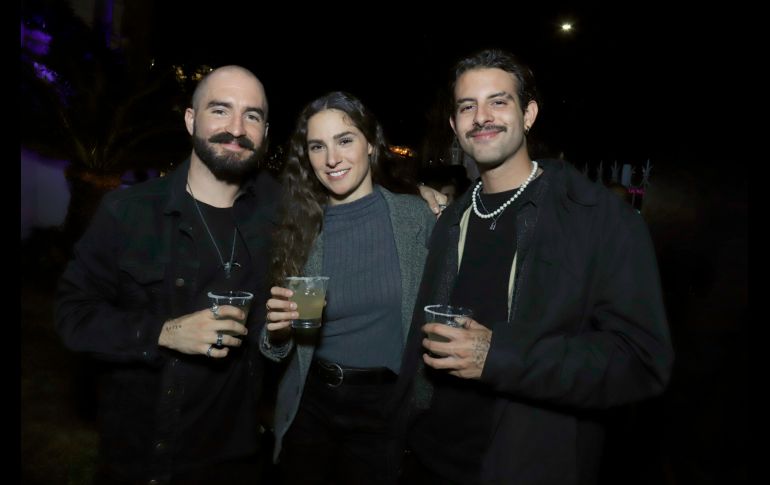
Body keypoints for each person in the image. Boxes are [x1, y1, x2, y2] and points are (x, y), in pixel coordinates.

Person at [393, 49, 674, 484]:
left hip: (527, 465)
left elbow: (639, 362)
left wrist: (499, 356)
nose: (481, 117)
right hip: (427, 458)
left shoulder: (599, 220)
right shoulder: (450, 220)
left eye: (498, 101)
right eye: (467, 106)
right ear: (454, 125)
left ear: (529, 115)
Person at [55, 65, 278, 484]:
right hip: (147, 460)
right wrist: (164, 332)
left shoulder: (278, 217)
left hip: (239, 461)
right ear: (191, 120)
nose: (236, 129)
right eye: (220, 110)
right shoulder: (129, 212)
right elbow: (73, 316)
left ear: (264, 132)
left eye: (252, 115)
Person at [260, 91, 435, 484]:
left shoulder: (415, 218)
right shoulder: (299, 226)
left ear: (370, 143)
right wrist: (276, 331)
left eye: (344, 140)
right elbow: (274, 341)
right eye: (317, 146)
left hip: (385, 407)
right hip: (311, 402)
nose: (331, 159)